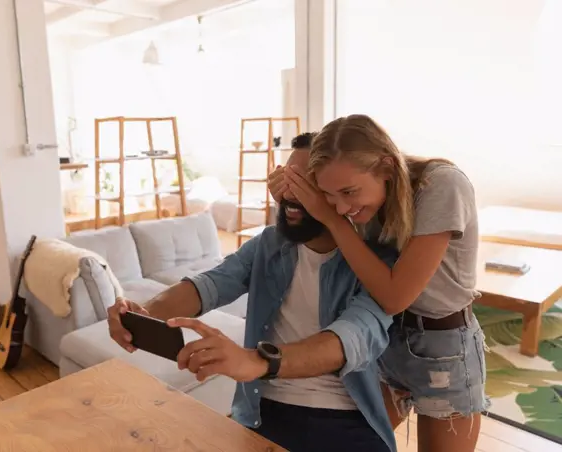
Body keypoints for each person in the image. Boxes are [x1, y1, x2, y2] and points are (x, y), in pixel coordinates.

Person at [107, 133, 400, 452]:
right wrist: (144, 315)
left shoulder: (376, 262)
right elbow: (209, 284)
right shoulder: (270, 244)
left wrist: (257, 361)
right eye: (285, 178)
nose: (288, 194)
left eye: (305, 184)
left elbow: (352, 336)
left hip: (347, 420)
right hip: (263, 411)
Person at [269, 115, 488, 452]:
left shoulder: (442, 185)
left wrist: (330, 217)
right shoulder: (354, 201)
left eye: (349, 192)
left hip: (444, 348)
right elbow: (309, 244)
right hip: (384, 339)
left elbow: (395, 296)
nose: (341, 206)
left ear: (386, 167)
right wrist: (288, 200)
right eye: (328, 195)